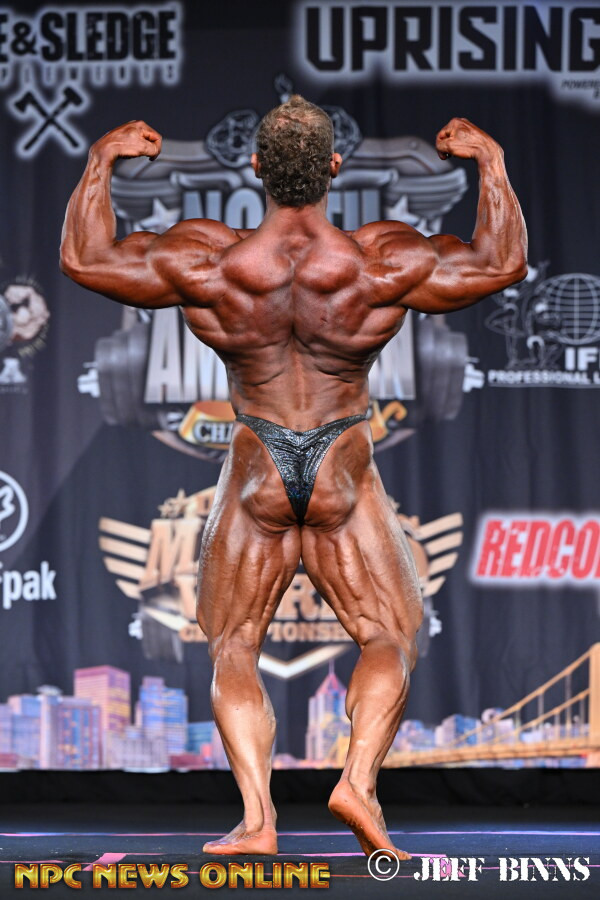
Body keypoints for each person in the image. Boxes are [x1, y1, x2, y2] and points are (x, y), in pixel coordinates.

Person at [60, 96, 527, 859]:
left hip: (258, 462)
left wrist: (101, 160)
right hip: (342, 458)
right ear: (334, 168)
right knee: (388, 635)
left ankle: (257, 821)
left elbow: (86, 259)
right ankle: (359, 783)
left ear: (256, 170)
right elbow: (500, 262)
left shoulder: (213, 261)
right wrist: (492, 163)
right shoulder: (378, 261)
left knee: (234, 644)